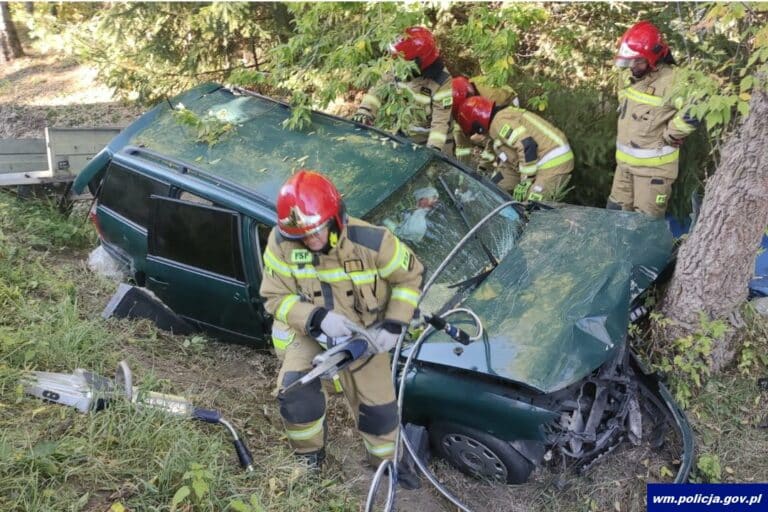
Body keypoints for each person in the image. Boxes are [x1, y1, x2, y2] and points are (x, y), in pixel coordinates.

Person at [259, 169, 423, 488]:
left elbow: (410, 278)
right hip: (312, 332)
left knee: (379, 411)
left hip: (365, 334)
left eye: (318, 231)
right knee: (294, 393)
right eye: (302, 236)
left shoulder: (373, 242)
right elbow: (273, 297)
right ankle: (309, 456)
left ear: (336, 218)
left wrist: (392, 324)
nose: (312, 241)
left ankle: (385, 464)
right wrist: (316, 317)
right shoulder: (281, 244)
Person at [608, 20, 699, 217]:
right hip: (624, 168)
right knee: (614, 216)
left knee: (644, 226)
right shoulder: (629, 77)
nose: (632, 66)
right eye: (630, 61)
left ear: (653, 58)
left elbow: (697, 107)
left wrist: (673, 134)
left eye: (638, 61)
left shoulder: (674, 81)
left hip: (653, 173)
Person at [352, 27, 453, 154]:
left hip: (434, 142)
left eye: (402, 61)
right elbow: (379, 89)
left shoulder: (442, 80)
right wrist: (365, 112)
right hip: (405, 136)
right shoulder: (399, 64)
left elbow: (440, 121)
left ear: (416, 63)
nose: (397, 65)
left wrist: (433, 150)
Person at [456, 95, 574, 202]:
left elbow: (527, 145)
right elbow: (506, 161)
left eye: (472, 133)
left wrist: (526, 181)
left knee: (531, 207)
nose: (472, 138)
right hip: (537, 160)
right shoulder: (496, 126)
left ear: (478, 127)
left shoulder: (499, 122)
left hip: (552, 160)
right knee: (495, 188)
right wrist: (485, 187)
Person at [451, 76, 518, 169]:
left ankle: (484, 167)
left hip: (505, 103)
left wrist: (482, 133)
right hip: (479, 106)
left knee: (494, 135)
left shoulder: (492, 96)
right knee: (459, 132)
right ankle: (461, 168)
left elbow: (492, 127)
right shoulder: (458, 90)